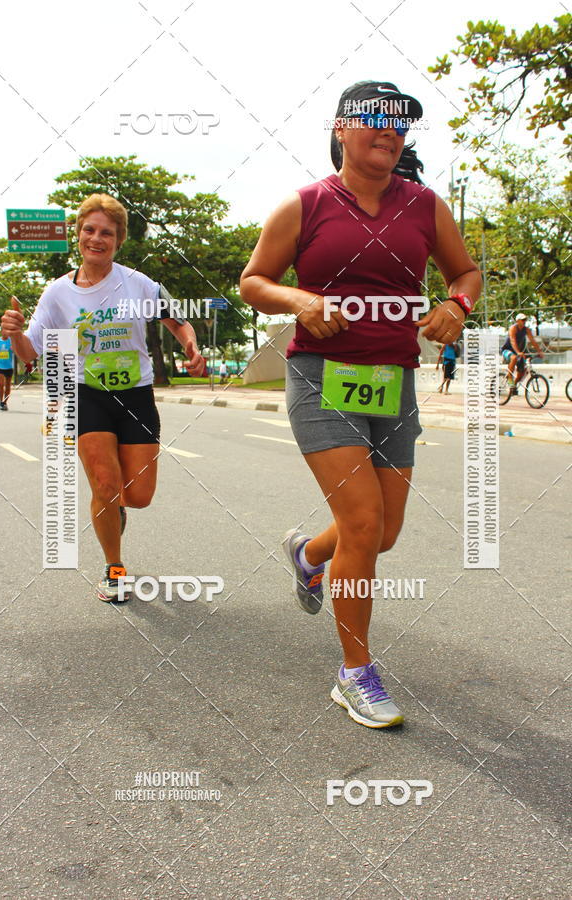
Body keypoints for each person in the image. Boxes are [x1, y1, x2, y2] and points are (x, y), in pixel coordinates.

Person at [240, 80, 482, 729]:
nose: (390, 128)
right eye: (374, 116)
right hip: (322, 377)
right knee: (364, 521)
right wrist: (300, 301)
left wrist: (456, 304)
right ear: (341, 128)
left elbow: (466, 273)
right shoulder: (305, 206)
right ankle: (354, 673)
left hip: (392, 379)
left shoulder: (425, 207)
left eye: (401, 121)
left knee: (382, 533)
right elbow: (254, 281)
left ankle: (307, 555)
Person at [1, 193, 206, 601]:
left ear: (118, 240)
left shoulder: (139, 283)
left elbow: (178, 320)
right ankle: (114, 567)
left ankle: (116, 507)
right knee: (104, 483)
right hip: (86, 394)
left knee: (139, 496)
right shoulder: (57, 293)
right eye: (90, 230)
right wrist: (15, 334)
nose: (97, 238)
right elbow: (30, 353)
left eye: (107, 233)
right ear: (78, 234)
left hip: (136, 395)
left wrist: (191, 345)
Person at [501, 313, 544, 390]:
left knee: (523, 370)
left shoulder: (526, 330)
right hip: (507, 350)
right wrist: (518, 352)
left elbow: (533, 341)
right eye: (523, 320)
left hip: (519, 352)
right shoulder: (513, 328)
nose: (524, 321)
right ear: (517, 321)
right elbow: (513, 341)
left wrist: (539, 351)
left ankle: (514, 386)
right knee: (513, 358)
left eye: (525, 320)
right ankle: (510, 378)